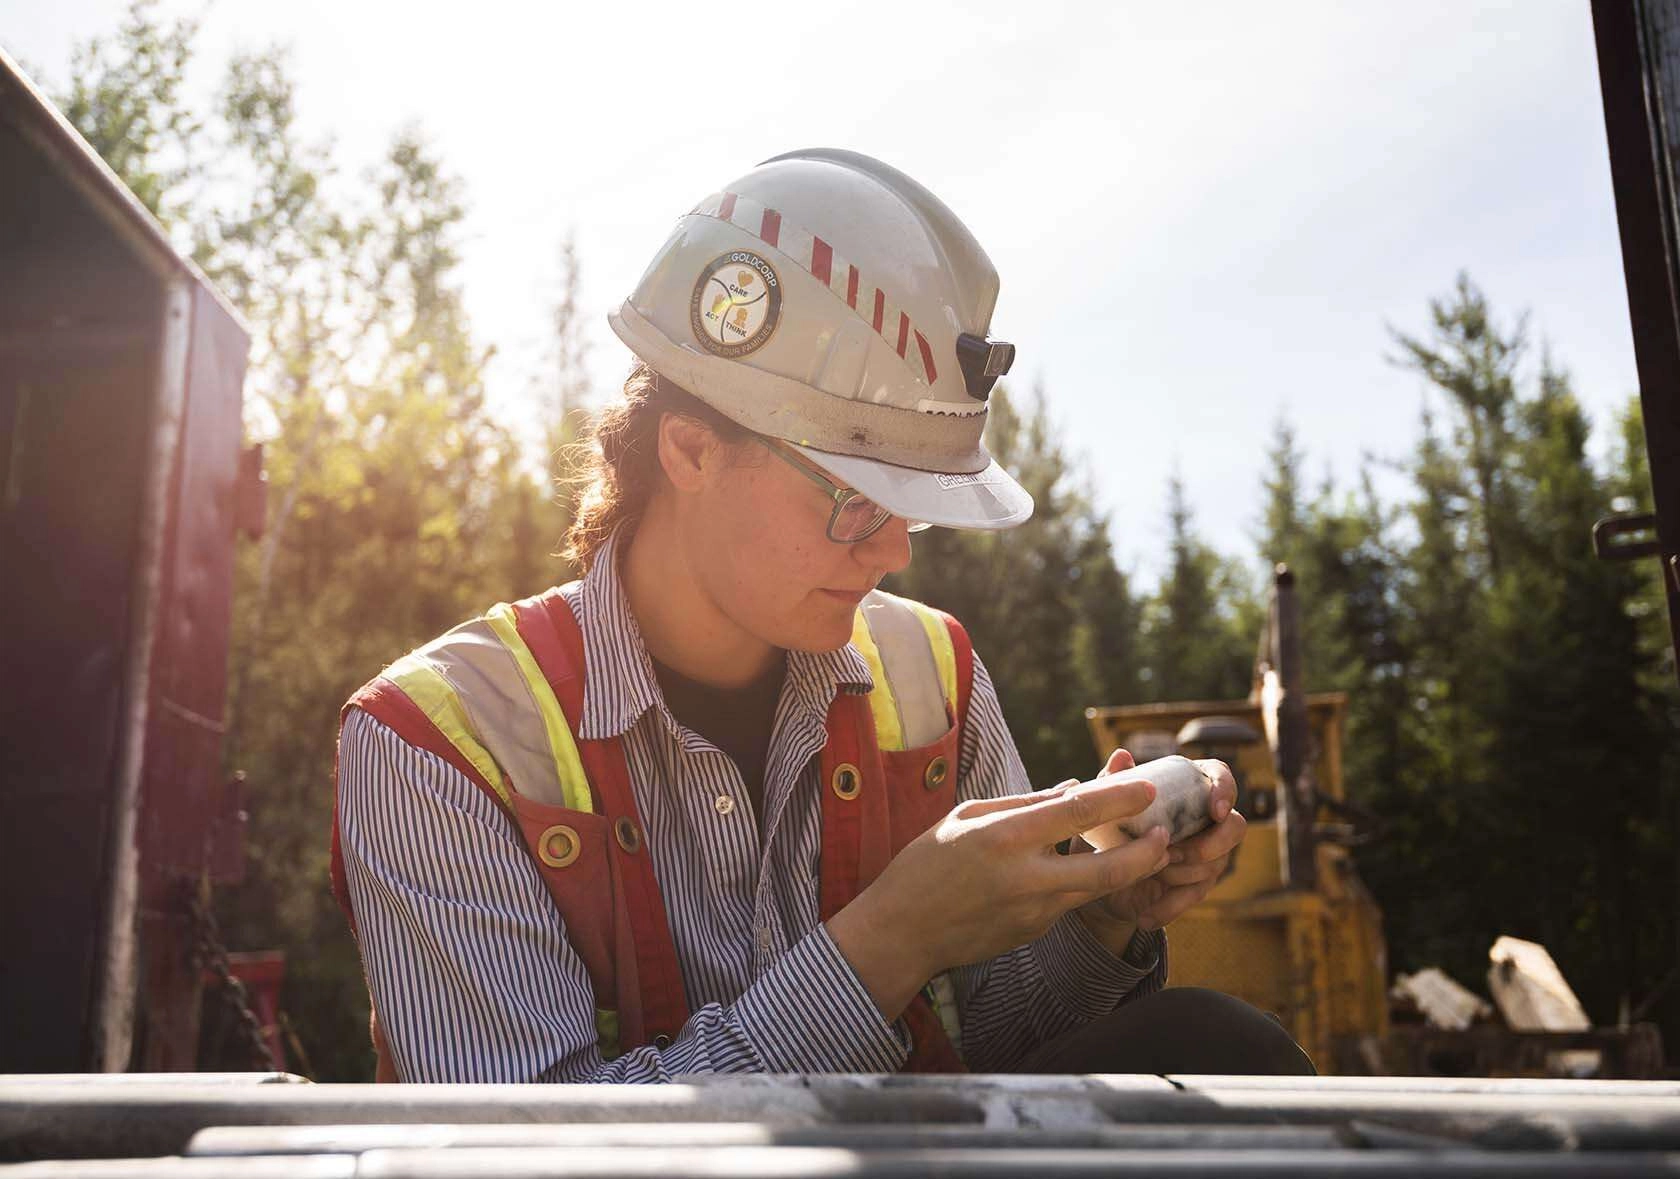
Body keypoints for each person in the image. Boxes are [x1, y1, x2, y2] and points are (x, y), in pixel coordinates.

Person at [331, 149, 1312, 1082]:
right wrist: (889, 940)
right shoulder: (440, 742)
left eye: (910, 508)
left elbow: (1004, 1043)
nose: (892, 554)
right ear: (690, 450)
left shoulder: (930, 672)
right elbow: (521, 1148)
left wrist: (1100, 916)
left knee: (1213, 1045)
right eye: (854, 499)